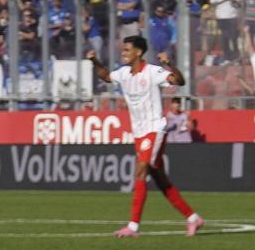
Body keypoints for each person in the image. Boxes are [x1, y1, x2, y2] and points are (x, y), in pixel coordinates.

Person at [86, 37, 203, 238]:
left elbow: (180, 81)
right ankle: (193, 218)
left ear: (138, 52)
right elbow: (105, 76)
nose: (123, 53)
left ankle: (133, 226)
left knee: (140, 170)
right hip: (139, 133)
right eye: (122, 49)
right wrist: (95, 61)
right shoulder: (123, 73)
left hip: (155, 129)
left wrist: (168, 64)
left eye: (127, 50)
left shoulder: (153, 72)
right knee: (160, 179)